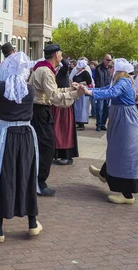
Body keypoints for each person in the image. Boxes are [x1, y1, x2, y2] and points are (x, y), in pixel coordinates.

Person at [0, 52, 42, 243]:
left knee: (2, 176)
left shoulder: (1, 88)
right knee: (26, 175)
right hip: (27, 136)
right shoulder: (29, 89)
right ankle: (32, 223)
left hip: (7, 135)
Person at [28, 43, 84, 196]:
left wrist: (69, 89)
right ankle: (39, 182)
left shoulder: (42, 68)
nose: (62, 56)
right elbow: (55, 97)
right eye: (61, 53)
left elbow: (53, 91)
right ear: (56, 55)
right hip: (40, 111)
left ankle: (36, 180)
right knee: (47, 147)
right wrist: (76, 94)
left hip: (38, 110)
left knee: (42, 146)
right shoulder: (45, 71)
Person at [86, 59, 138, 204]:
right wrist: (87, 90)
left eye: (111, 67)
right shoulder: (122, 80)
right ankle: (105, 174)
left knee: (125, 153)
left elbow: (111, 92)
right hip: (121, 118)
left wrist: (89, 92)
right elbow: (105, 89)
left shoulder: (123, 81)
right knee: (117, 150)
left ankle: (127, 195)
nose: (109, 69)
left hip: (126, 120)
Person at [51, 58, 78, 166]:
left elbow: (66, 65)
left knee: (64, 129)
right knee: (56, 129)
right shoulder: (53, 71)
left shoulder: (63, 70)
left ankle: (67, 155)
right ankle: (57, 154)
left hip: (64, 103)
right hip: (57, 102)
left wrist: (59, 57)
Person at [93, 54, 112, 131]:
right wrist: (98, 89)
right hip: (101, 90)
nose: (109, 62)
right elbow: (96, 79)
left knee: (106, 109)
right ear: (104, 59)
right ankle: (98, 124)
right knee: (99, 108)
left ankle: (103, 124)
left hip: (107, 91)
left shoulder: (110, 69)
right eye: (107, 60)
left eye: (110, 60)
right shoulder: (99, 68)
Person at [72, 59, 93, 131]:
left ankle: (81, 123)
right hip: (77, 90)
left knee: (82, 107)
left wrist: (81, 83)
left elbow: (89, 82)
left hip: (83, 91)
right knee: (78, 107)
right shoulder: (77, 72)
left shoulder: (85, 73)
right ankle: (77, 121)